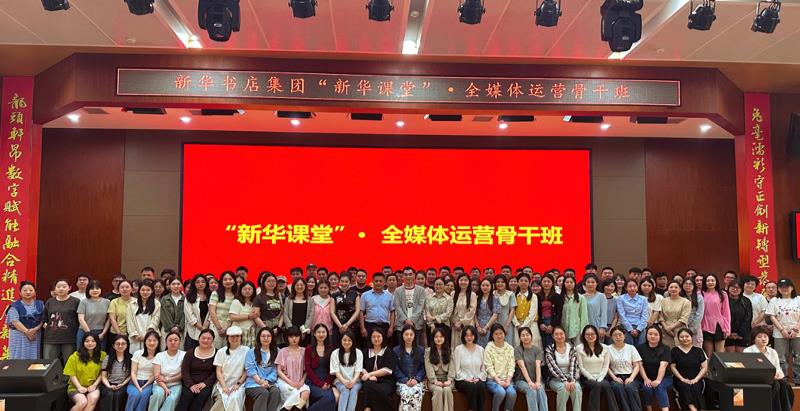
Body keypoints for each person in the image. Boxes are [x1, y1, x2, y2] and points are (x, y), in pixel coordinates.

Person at [744, 326, 794, 411]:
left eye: (765, 336)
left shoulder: (772, 352)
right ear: (753, 339)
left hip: (772, 378)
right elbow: (748, 371)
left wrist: (779, 375)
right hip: (755, 379)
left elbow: (778, 369)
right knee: (776, 385)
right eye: (759, 337)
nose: (763, 339)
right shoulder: (748, 351)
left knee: (785, 385)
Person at [576, 325, 618, 411]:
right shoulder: (579, 348)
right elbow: (581, 367)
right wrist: (592, 378)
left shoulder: (605, 347)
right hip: (586, 378)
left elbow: (606, 366)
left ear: (597, 335)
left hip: (601, 377)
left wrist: (600, 378)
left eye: (592, 334)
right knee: (597, 385)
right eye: (587, 334)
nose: (590, 336)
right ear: (583, 336)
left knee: (606, 385)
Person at [174, 329, 217, 411]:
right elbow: (185, 371)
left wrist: (205, 383)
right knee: (187, 395)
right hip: (190, 382)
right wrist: (191, 384)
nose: (205, 340)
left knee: (202, 395)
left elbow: (216, 372)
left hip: (205, 384)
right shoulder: (190, 352)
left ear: (213, 340)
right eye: (203, 338)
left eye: (209, 338)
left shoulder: (217, 353)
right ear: (199, 338)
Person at [766, 277, 800, 379]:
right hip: (779, 333)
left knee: (798, 357)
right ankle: (782, 378)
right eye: (781, 287)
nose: (784, 289)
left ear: (792, 288)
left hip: (798, 333)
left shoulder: (798, 299)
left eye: (787, 287)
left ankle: (798, 378)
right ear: (778, 289)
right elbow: (772, 316)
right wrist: (782, 330)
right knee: (780, 358)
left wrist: (795, 329)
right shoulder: (774, 300)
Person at [64, 333, 107, 411]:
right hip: (75, 387)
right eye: (87, 341)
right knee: (82, 402)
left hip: (93, 386)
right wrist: (79, 387)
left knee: (93, 398)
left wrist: (94, 385)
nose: (90, 343)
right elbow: (71, 374)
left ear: (97, 342)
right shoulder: (75, 356)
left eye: (93, 341)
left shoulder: (103, 355)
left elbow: (103, 373)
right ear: (83, 343)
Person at [209, 326, 248, 411]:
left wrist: (238, 384)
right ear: (227, 338)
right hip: (222, 384)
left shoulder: (246, 350)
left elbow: (246, 370)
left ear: (241, 337)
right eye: (232, 336)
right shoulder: (221, 351)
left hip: (240, 385)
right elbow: (218, 372)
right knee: (223, 398)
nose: (235, 338)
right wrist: (224, 387)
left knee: (234, 398)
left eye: (237, 336)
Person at [669, 328, 707, 411]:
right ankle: (693, 409)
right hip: (680, 379)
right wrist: (682, 379)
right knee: (685, 387)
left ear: (691, 337)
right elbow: (672, 367)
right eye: (681, 337)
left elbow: (704, 367)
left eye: (687, 336)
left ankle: (701, 409)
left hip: (697, 379)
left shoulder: (699, 350)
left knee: (695, 387)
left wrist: (696, 379)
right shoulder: (674, 351)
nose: (684, 339)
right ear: (678, 338)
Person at [244, 327, 281, 411]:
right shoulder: (251, 352)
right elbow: (250, 369)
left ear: (272, 338)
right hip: (253, 383)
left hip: (270, 382)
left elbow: (276, 369)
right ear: (259, 338)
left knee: (275, 391)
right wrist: (261, 381)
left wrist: (267, 381)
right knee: (263, 392)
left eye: (268, 336)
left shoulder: (277, 351)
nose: (266, 338)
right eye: (263, 336)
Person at [545, 326, 581, 411]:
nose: (559, 336)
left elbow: (574, 365)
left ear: (565, 335)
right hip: (555, 378)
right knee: (563, 388)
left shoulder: (571, 348)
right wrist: (564, 380)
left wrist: (572, 380)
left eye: (561, 334)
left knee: (576, 387)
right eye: (556, 334)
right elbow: (553, 368)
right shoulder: (549, 349)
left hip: (570, 376)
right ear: (553, 336)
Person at [606, 326, 642, 411]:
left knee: (630, 387)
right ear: (611, 337)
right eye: (615, 335)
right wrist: (614, 378)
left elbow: (637, 365)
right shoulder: (607, 349)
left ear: (624, 336)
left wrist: (631, 378)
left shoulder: (631, 348)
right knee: (618, 387)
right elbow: (606, 366)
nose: (618, 337)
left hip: (631, 376)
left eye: (620, 335)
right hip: (616, 377)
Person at [636, 326, 672, 411]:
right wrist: (646, 379)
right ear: (646, 335)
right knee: (647, 388)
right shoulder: (640, 348)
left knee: (660, 386)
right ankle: (649, 409)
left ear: (660, 336)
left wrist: (658, 380)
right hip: (646, 377)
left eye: (656, 334)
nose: (652, 336)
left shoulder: (665, 348)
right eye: (650, 334)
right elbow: (640, 365)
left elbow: (663, 365)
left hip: (664, 377)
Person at [361, 328, 397, 411]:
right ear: (370, 338)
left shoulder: (388, 351)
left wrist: (370, 374)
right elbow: (361, 367)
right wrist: (369, 376)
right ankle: (367, 408)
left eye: (378, 336)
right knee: (368, 384)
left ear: (383, 337)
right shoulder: (366, 351)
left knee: (379, 391)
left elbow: (387, 370)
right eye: (373, 337)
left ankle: (367, 408)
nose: (376, 339)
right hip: (370, 380)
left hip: (386, 380)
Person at [148, 331, 185, 411]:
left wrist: (167, 379)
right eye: (170, 340)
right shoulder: (160, 355)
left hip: (176, 384)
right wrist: (165, 388)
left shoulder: (184, 355)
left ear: (180, 342)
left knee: (171, 399)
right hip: (160, 384)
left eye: (176, 340)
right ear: (166, 342)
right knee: (158, 395)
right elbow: (157, 376)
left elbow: (183, 373)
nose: (173, 342)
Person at [6, 281, 44, 359]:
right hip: (19, 335)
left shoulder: (40, 304)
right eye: (25, 290)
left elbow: (43, 319)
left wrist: (35, 329)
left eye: (31, 290)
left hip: (35, 334)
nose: (28, 292)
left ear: (35, 292)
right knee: (18, 357)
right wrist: (27, 332)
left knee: (33, 358)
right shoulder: (14, 306)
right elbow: (15, 321)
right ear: (20, 293)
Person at [276, 326, 311, 410]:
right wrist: (290, 382)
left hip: (299, 381)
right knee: (295, 393)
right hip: (285, 381)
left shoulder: (304, 351)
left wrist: (302, 381)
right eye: (291, 336)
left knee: (306, 392)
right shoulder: (283, 351)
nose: (294, 339)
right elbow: (279, 370)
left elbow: (307, 370)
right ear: (287, 338)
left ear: (300, 337)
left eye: (296, 336)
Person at [513, 327, 547, 411]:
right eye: (523, 335)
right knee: (531, 390)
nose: (525, 337)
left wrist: (538, 382)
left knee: (540, 389)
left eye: (527, 335)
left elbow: (538, 365)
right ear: (520, 338)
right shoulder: (517, 350)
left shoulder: (537, 350)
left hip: (536, 379)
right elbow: (522, 366)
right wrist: (529, 382)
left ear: (531, 336)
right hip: (521, 380)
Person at [484, 324, 517, 411]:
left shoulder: (509, 348)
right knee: (501, 392)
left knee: (512, 393)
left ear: (504, 334)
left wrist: (508, 380)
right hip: (493, 380)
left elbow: (511, 366)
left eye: (501, 333)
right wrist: (498, 381)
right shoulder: (489, 347)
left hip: (507, 380)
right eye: (496, 334)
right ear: (492, 335)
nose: (499, 336)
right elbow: (489, 367)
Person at [453, 326, 486, 411]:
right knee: (472, 387)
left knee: (481, 386)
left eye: (471, 335)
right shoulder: (458, 349)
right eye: (466, 335)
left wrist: (478, 378)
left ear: (475, 336)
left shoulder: (481, 350)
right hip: (462, 380)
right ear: (463, 337)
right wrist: (466, 378)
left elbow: (483, 369)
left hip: (477, 379)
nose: (469, 337)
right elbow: (456, 370)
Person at [394, 325, 426, 411]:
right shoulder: (396, 350)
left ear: (415, 336)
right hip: (402, 382)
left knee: (416, 393)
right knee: (406, 393)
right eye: (406, 334)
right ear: (402, 335)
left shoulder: (420, 350)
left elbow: (423, 368)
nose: (409, 337)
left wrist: (417, 379)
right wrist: (405, 380)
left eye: (411, 334)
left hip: (417, 381)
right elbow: (395, 369)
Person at [126, 331, 159, 411]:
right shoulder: (137, 353)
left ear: (158, 342)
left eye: (154, 340)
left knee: (144, 395)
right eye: (149, 340)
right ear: (145, 342)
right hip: (135, 382)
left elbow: (154, 375)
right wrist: (138, 387)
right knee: (135, 395)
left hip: (149, 383)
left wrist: (144, 387)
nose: (152, 343)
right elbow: (133, 373)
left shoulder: (159, 356)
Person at [360, 273, 395, 347]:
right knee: (369, 347)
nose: (378, 283)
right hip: (369, 325)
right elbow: (361, 312)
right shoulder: (365, 295)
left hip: (384, 326)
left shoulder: (389, 296)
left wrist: (391, 327)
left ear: (384, 282)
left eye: (380, 281)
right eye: (376, 281)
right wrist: (362, 328)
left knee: (384, 347)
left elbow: (392, 312)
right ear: (372, 282)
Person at [305, 324, 336, 411]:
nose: (321, 334)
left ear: (327, 334)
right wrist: (320, 384)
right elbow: (308, 369)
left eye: (323, 332)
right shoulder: (309, 349)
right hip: (312, 382)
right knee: (329, 398)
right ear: (314, 334)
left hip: (326, 381)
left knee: (332, 398)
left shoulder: (330, 348)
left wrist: (327, 382)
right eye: (318, 332)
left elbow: (332, 368)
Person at [331, 331, 363, 411]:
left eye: (349, 340)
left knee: (354, 390)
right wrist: (344, 381)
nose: (347, 342)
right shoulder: (335, 353)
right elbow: (336, 371)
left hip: (356, 381)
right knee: (345, 390)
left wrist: (353, 381)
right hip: (340, 381)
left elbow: (358, 371)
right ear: (341, 340)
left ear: (353, 341)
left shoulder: (358, 353)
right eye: (344, 340)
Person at [127, 280, 161, 354]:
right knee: (136, 356)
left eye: (148, 290)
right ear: (139, 291)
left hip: (151, 336)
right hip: (136, 338)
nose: (145, 292)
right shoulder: (132, 304)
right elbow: (129, 321)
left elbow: (156, 319)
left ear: (152, 291)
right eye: (143, 290)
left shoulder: (157, 304)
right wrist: (135, 334)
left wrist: (147, 335)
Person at [701, 273, 731, 356]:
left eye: (712, 280)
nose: (710, 282)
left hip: (719, 326)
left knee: (720, 354)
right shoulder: (701, 294)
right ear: (705, 282)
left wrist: (727, 328)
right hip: (705, 325)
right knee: (709, 354)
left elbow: (726, 312)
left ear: (716, 282)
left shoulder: (723, 294)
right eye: (708, 281)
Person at [425, 327, 454, 411]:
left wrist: (449, 380)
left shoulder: (450, 350)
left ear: (444, 338)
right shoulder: (428, 351)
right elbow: (428, 367)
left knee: (447, 390)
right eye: (436, 337)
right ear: (433, 338)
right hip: (434, 380)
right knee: (438, 390)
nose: (439, 339)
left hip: (447, 379)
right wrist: (434, 381)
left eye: (441, 336)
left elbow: (452, 366)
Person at [76, 280, 110, 351]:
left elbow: (109, 319)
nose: (95, 290)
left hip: (100, 333)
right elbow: (81, 319)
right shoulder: (84, 302)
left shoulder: (107, 302)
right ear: (88, 290)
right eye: (92, 288)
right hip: (84, 331)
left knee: (100, 354)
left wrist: (103, 333)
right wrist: (89, 334)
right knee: (82, 354)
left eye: (97, 288)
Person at [100, 335, 132, 411]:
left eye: (123, 344)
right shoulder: (108, 358)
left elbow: (131, 375)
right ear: (113, 346)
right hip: (108, 384)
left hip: (123, 384)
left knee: (118, 394)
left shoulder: (130, 358)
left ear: (127, 345)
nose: (120, 346)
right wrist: (109, 386)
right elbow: (103, 376)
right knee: (109, 394)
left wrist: (123, 384)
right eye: (118, 344)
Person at [209, 272, 238, 350]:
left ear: (234, 281)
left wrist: (228, 328)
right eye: (225, 279)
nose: (228, 281)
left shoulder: (237, 295)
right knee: (214, 349)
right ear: (221, 281)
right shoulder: (215, 294)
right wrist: (219, 328)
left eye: (230, 279)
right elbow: (212, 312)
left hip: (231, 328)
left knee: (228, 350)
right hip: (216, 327)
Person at [331, 272, 361, 347]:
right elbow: (332, 312)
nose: (344, 283)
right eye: (342, 281)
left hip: (352, 326)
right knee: (338, 347)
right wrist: (340, 326)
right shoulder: (334, 295)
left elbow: (357, 310)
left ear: (350, 282)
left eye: (346, 281)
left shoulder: (355, 294)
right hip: (338, 326)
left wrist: (347, 324)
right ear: (339, 281)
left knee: (352, 347)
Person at [658, 281, 691, 347]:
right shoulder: (663, 301)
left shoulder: (686, 302)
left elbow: (684, 318)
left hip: (680, 330)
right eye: (671, 287)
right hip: (665, 330)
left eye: (676, 287)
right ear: (668, 289)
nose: (673, 289)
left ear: (680, 289)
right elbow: (660, 316)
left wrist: (670, 328)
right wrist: (666, 328)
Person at [616, 280, 649, 346]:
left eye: (634, 286)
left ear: (637, 287)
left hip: (640, 326)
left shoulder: (643, 299)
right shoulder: (621, 298)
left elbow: (644, 315)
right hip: (625, 326)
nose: (632, 288)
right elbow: (621, 315)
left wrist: (638, 329)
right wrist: (630, 329)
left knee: (641, 347)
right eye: (630, 286)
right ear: (626, 288)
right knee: (628, 347)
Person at [514, 273, 542, 348]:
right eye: (521, 280)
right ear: (518, 282)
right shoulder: (514, 296)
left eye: (526, 281)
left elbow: (533, 313)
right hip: (517, 324)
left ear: (529, 282)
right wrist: (517, 324)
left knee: (533, 343)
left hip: (531, 324)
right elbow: (512, 312)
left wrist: (523, 326)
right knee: (517, 343)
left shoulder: (533, 296)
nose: (523, 282)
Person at [254, 273, 283, 343]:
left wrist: (278, 327)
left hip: (276, 329)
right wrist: (266, 329)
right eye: (268, 281)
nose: (271, 283)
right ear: (263, 283)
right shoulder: (259, 297)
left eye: (273, 281)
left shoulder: (279, 295)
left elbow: (282, 313)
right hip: (263, 327)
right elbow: (255, 316)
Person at [184, 275, 210, 352]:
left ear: (206, 283)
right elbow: (189, 314)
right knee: (191, 351)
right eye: (197, 282)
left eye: (203, 282)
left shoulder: (210, 296)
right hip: (193, 328)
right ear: (194, 284)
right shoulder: (189, 296)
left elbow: (212, 312)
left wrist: (206, 325)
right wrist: (199, 326)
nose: (200, 284)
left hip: (208, 327)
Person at [451, 274, 477, 349]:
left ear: (469, 282)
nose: (463, 282)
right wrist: (455, 322)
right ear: (457, 281)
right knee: (456, 346)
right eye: (461, 280)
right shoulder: (453, 293)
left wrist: (461, 322)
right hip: (455, 325)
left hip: (467, 323)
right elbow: (451, 309)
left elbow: (472, 311)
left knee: (467, 344)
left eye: (465, 280)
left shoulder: (472, 294)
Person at [425, 278, 454, 348]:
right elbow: (426, 311)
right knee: (432, 347)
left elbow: (448, 314)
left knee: (444, 347)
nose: (438, 286)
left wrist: (434, 318)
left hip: (444, 326)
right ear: (434, 285)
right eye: (436, 284)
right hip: (431, 326)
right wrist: (431, 324)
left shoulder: (449, 299)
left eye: (440, 284)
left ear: (444, 285)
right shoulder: (429, 298)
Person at [538, 274, 563, 349]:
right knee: (542, 344)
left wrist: (552, 325)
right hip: (541, 322)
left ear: (552, 283)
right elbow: (536, 312)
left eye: (548, 281)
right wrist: (540, 323)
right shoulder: (537, 296)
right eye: (544, 281)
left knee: (551, 344)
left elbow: (559, 313)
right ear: (541, 283)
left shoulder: (557, 297)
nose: (546, 283)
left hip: (552, 322)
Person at [726, 281, 752, 353]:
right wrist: (730, 332)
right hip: (727, 334)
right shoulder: (724, 300)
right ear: (728, 288)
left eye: (738, 288)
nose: (735, 289)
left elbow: (748, 318)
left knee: (741, 357)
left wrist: (739, 333)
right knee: (730, 357)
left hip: (742, 334)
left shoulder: (746, 301)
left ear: (741, 289)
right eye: (733, 287)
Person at [229, 281, 257, 348]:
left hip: (252, 332)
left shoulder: (254, 303)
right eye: (244, 289)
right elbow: (232, 317)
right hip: (239, 332)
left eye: (249, 289)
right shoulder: (236, 302)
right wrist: (248, 316)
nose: (247, 291)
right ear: (240, 290)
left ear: (253, 290)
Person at [160, 278, 185, 351]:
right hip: (167, 330)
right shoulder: (164, 299)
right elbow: (164, 314)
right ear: (169, 286)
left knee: (180, 351)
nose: (176, 286)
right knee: (165, 351)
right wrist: (172, 327)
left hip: (181, 330)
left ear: (181, 285)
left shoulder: (185, 299)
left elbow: (185, 315)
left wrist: (179, 327)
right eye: (173, 284)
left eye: (178, 284)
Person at [561, 277, 588, 345]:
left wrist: (583, 330)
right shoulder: (560, 297)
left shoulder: (581, 298)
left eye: (571, 282)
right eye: (567, 282)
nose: (569, 284)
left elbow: (583, 315)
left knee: (578, 348)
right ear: (564, 284)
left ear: (575, 284)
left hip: (576, 329)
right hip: (563, 329)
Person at [582, 274, 608, 342]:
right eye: (588, 282)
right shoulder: (581, 297)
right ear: (584, 284)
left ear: (597, 283)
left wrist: (602, 327)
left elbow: (604, 313)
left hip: (597, 325)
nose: (590, 284)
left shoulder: (601, 296)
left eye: (593, 282)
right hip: (584, 326)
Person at [475, 279, 499, 347]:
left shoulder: (495, 298)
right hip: (478, 327)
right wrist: (478, 327)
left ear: (491, 286)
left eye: (487, 285)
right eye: (483, 285)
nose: (485, 287)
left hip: (490, 326)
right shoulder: (476, 298)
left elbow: (495, 315)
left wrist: (486, 327)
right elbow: (474, 313)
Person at [493, 276, 517, 345]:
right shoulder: (492, 294)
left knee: (508, 344)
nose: (500, 284)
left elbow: (512, 311)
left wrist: (507, 326)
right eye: (498, 282)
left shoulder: (510, 294)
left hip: (507, 323)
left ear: (506, 283)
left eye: (502, 282)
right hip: (494, 323)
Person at [681, 279, 704, 348]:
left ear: (694, 286)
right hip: (681, 326)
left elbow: (699, 314)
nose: (688, 285)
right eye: (686, 283)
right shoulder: (680, 297)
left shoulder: (699, 297)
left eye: (690, 284)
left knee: (695, 349)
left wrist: (692, 329)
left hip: (694, 327)